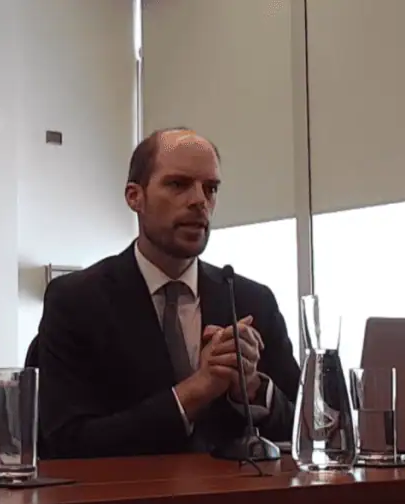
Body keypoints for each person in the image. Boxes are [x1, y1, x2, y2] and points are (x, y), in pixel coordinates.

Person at [37, 127, 301, 459]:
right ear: (135, 197)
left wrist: (252, 389)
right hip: (129, 491)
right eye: (178, 185)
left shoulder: (251, 300)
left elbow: (312, 431)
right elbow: (63, 442)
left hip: (242, 492)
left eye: (210, 188)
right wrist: (195, 391)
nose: (199, 201)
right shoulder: (77, 301)